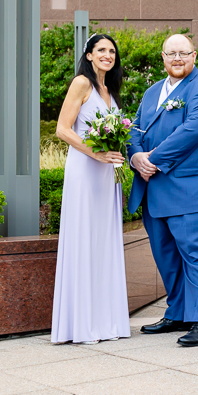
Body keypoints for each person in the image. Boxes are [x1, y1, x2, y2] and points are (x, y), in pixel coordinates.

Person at [127, 34, 198, 347]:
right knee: (167, 256)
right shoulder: (151, 92)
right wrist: (135, 156)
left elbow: (193, 131)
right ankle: (178, 313)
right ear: (163, 57)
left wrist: (154, 160)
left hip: (196, 189)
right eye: (171, 53)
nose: (177, 58)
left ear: (194, 56)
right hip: (155, 189)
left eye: (183, 53)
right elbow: (135, 130)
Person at [51, 33, 131, 345]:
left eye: (112, 51)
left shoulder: (112, 90)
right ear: (89, 55)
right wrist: (95, 153)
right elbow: (62, 129)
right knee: (84, 239)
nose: (107, 55)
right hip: (85, 171)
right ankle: (81, 324)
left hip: (107, 175)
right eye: (101, 50)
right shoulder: (81, 84)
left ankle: (106, 321)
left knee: (104, 242)